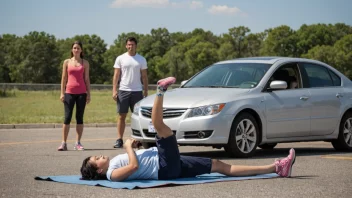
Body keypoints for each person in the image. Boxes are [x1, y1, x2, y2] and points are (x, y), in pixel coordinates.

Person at [80, 77, 296, 181]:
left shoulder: (110, 167)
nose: (98, 156)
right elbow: (134, 167)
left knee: (220, 165)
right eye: (95, 159)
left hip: (170, 165)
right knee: (159, 125)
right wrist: (128, 146)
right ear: (98, 169)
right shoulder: (111, 175)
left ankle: (276, 168)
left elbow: (137, 162)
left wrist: (134, 148)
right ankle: (161, 90)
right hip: (164, 166)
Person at [112, 37, 148, 148]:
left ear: (136, 46)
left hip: (137, 91)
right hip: (123, 90)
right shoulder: (120, 58)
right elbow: (116, 75)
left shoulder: (141, 59)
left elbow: (144, 76)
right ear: (126, 46)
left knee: (137, 117)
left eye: (132, 44)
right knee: (121, 116)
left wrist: (145, 90)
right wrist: (114, 90)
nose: (130, 46)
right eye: (128, 44)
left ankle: (137, 140)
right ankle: (119, 139)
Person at [58, 41, 91, 151]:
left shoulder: (85, 63)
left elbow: (87, 79)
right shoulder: (67, 62)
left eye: (78, 48)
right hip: (69, 92)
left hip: (81, 93)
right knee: (67, 118)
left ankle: (78, 143)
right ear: (72, 50)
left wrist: (88, 94)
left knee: (79, 118)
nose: (76, 50)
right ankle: (63, 143)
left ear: (81, 50)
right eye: (74, 48)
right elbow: (64, 78)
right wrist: (62, 93)